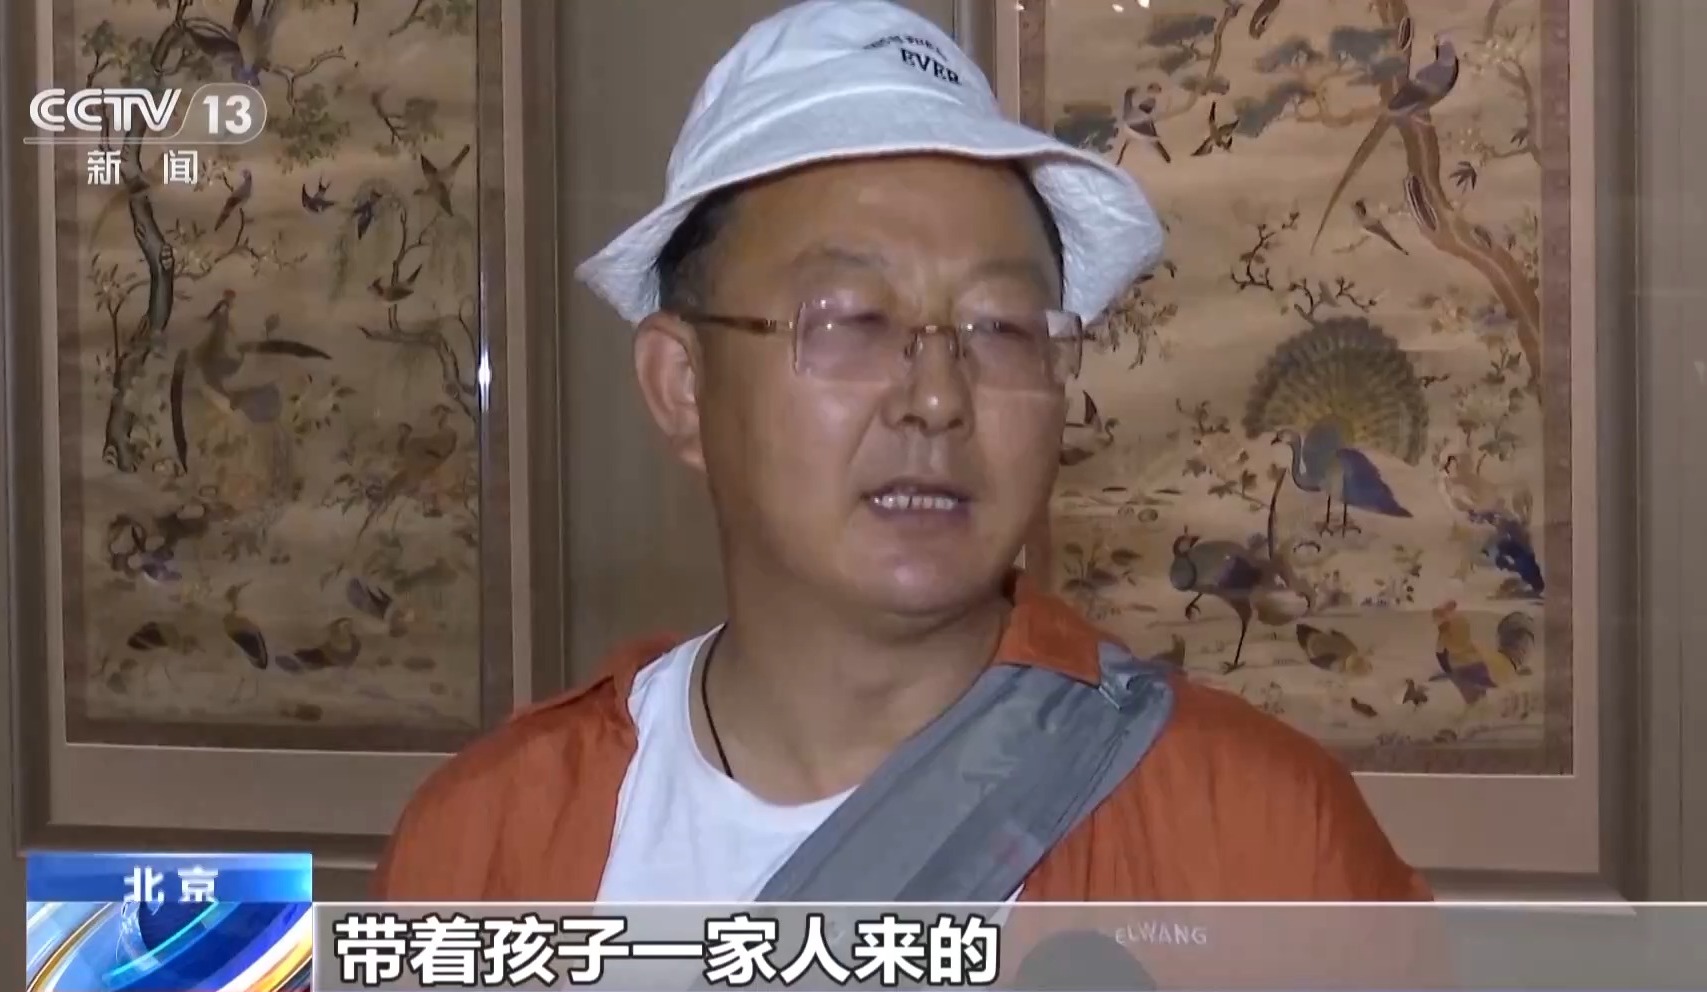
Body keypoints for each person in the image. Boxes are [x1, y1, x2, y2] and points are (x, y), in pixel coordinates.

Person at [374, 0, 1430, 905]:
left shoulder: (1258, 841)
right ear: (682, 386)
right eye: (851, 320)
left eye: (1001, 327)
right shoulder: (486, 847)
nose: (936, 398)